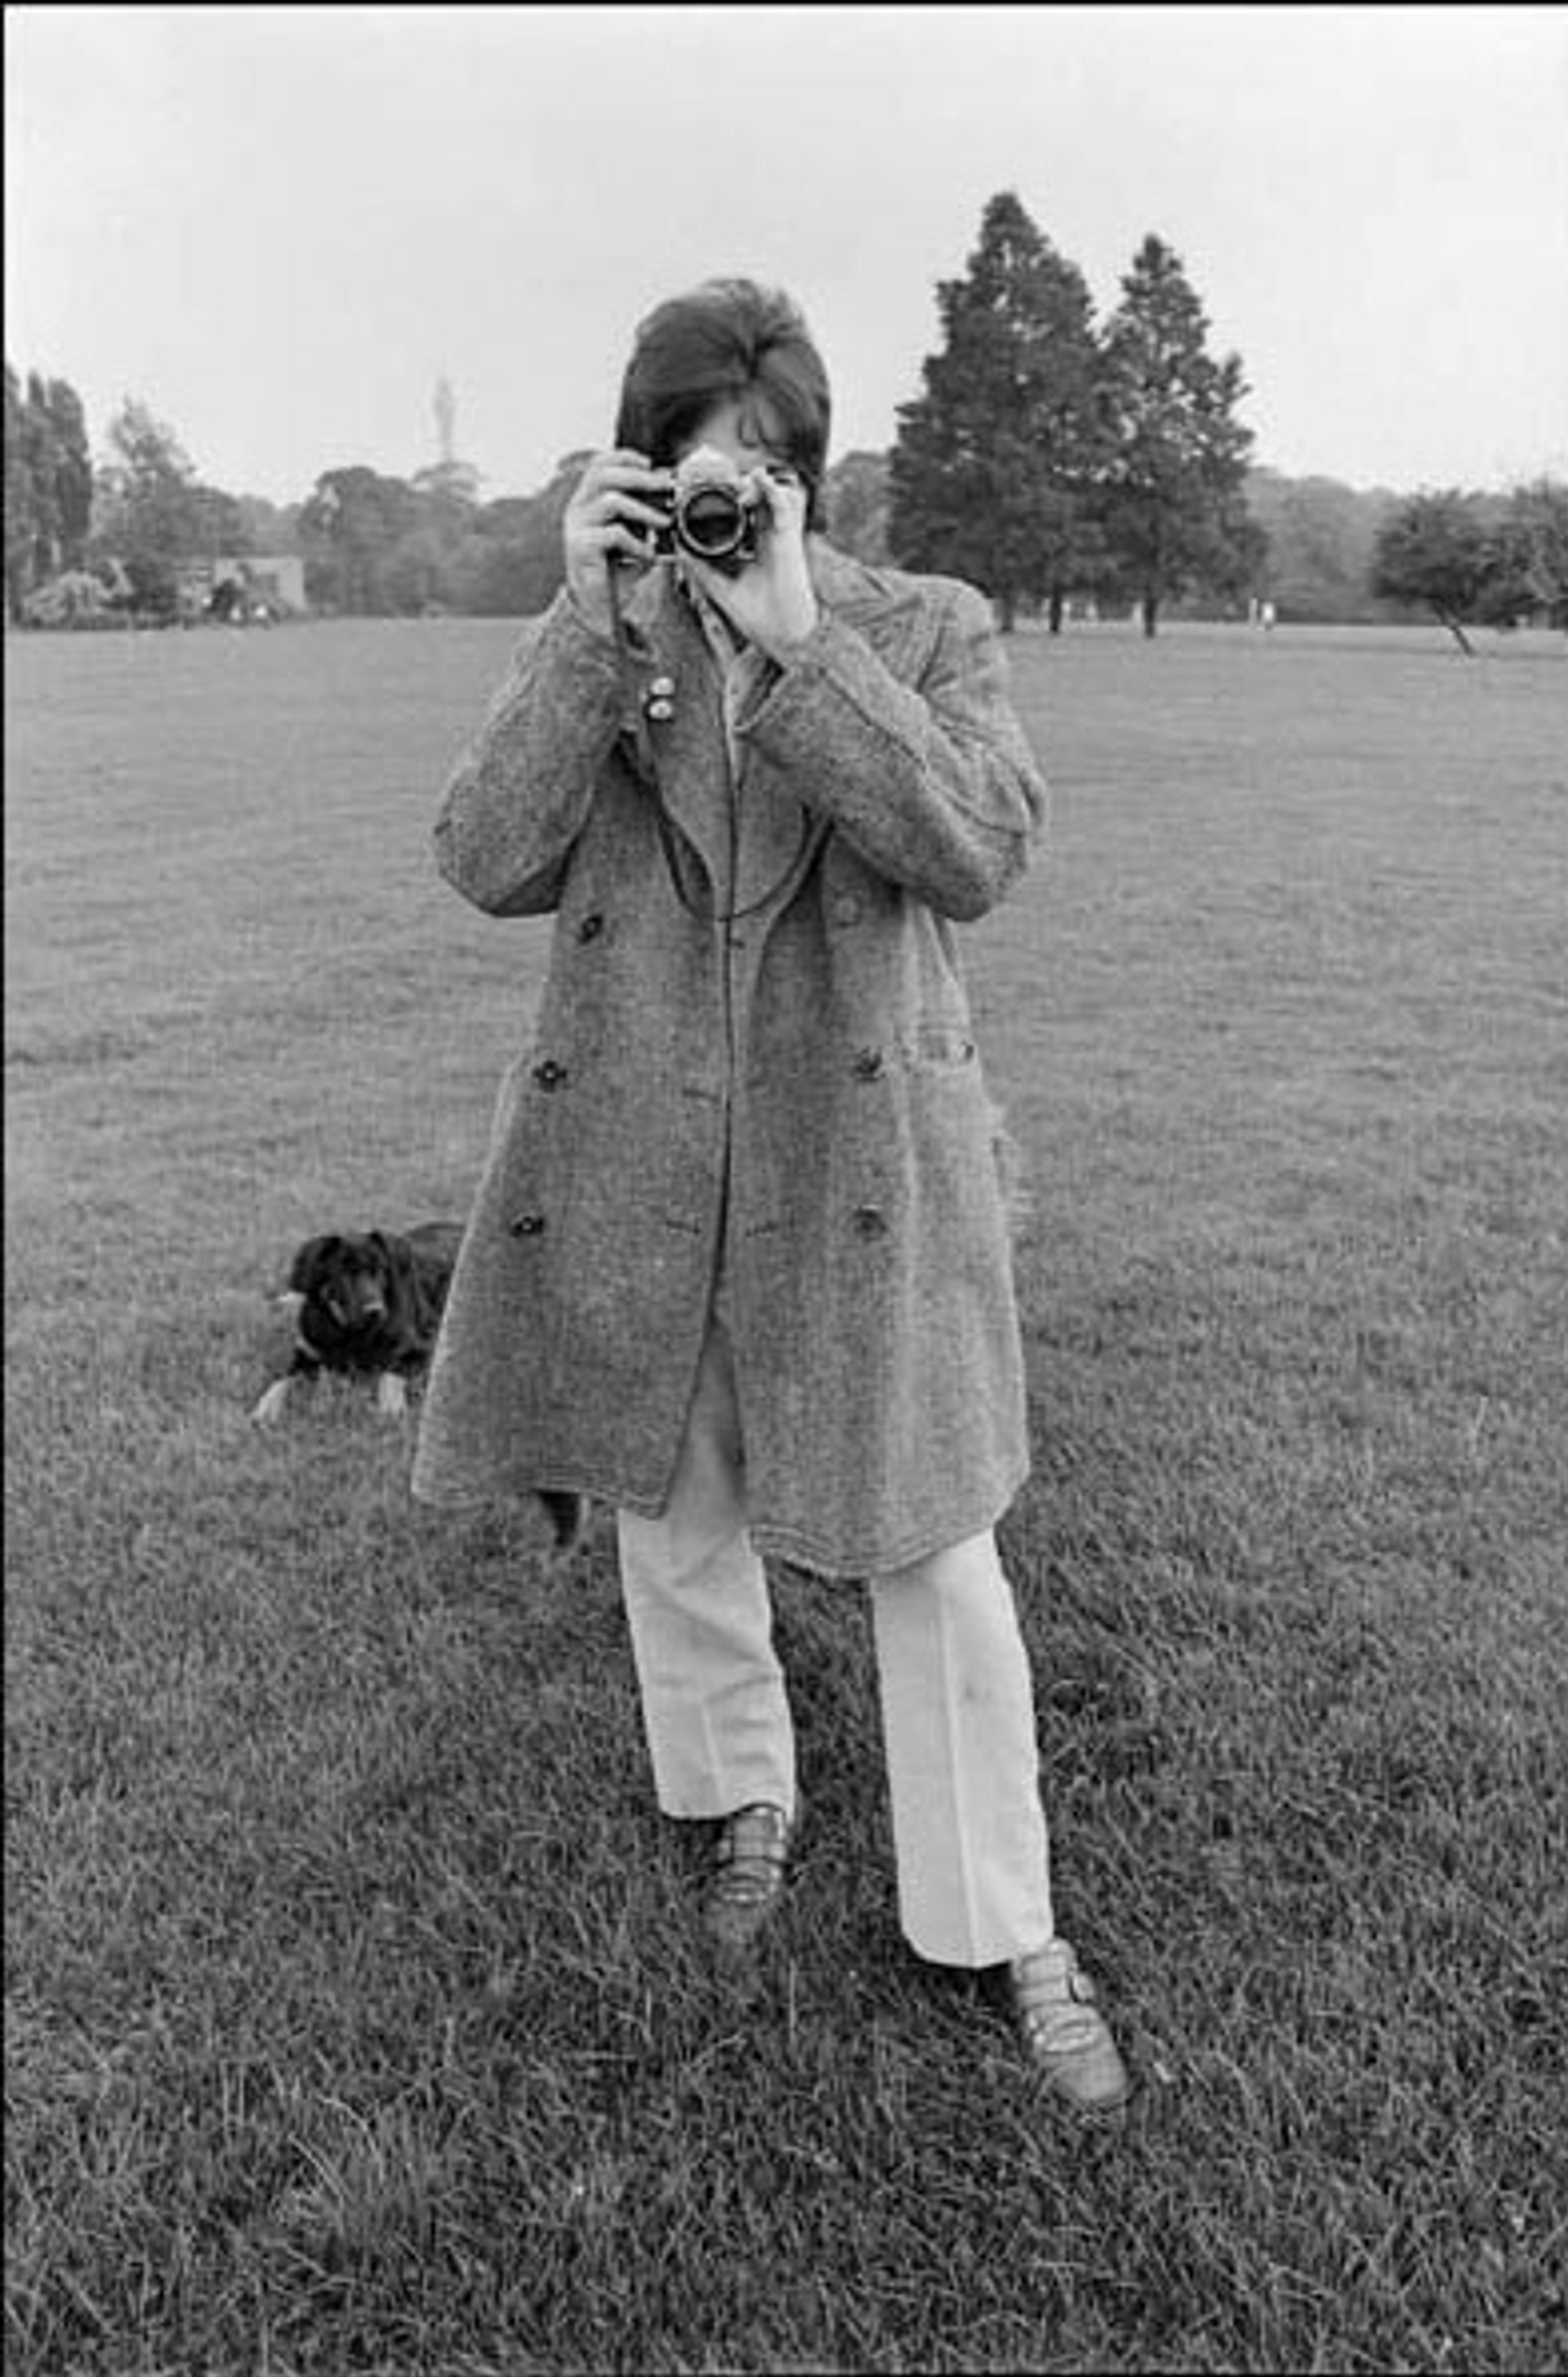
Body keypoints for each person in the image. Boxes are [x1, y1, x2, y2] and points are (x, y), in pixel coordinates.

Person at [412, 278, 1129, 2115]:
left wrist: (804, 644)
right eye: (686, 479)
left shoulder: (926, 625)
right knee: (672, 1492)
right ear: (639, 473)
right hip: (648, 1135)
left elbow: (977, 844)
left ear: (809, 479)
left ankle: (999, 1918)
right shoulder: (607, 634)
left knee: (932, 1541)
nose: (721, 511)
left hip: (856, 1147)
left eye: (758, 480)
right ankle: (742, 1795)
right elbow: (484, 855)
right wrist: (587, 624)